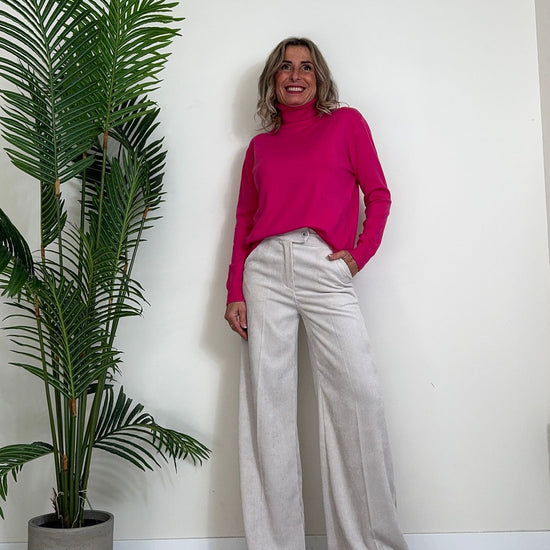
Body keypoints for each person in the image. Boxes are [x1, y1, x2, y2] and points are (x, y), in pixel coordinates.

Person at [225, 37, 409, 550]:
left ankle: (369, 543)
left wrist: (358, 255)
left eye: (306, 67)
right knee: (268, 411)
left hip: (323, 263)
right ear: (273, 80)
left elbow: (378, 194)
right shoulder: (259, 148)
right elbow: (243, 220)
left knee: (358, 398)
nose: (296, 75)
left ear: (319, 78)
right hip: (264, 271)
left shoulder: (346, 124)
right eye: (285, 67)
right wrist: (235, 287)